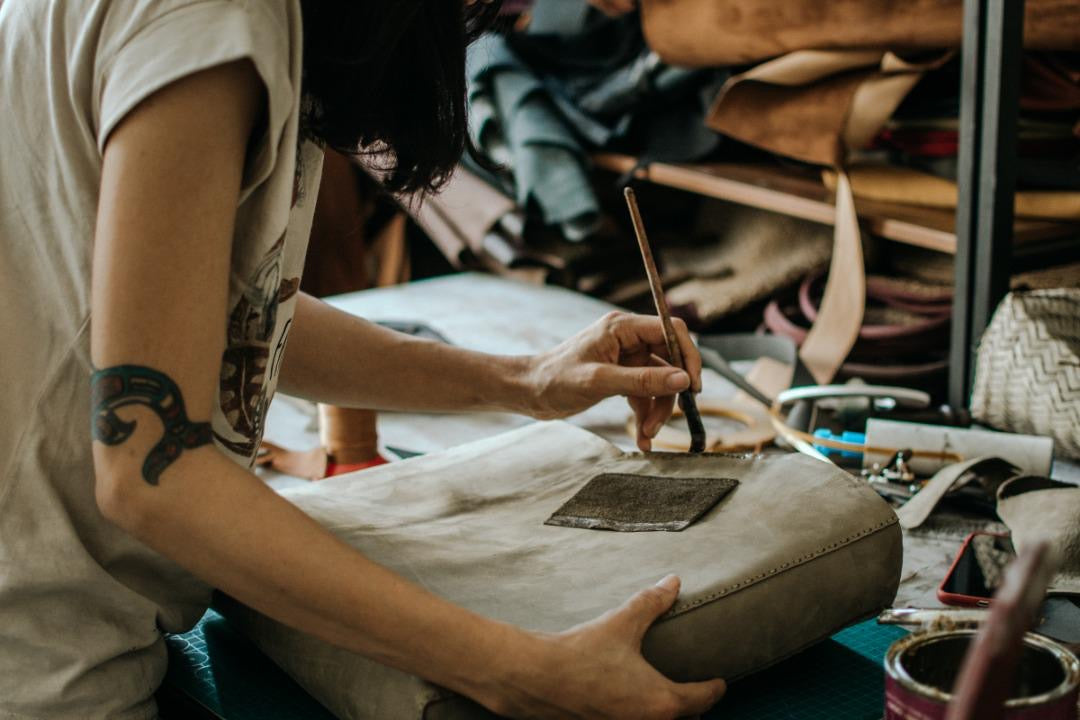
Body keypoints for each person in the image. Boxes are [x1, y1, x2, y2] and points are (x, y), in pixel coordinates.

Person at [0, 0, 725, 718]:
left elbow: (228, 312)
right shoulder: (214, 18)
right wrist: (517, 669)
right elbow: (153, 472)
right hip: (36, 666)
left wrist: (529, 379)